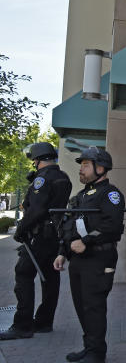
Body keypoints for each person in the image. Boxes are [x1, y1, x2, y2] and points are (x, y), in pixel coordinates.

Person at [53, 147, 125, 363]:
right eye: (81, 165)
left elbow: (112, 227)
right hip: (78, 260)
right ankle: (90, 345)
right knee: (81, 305)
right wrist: (62, 252)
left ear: (100, 168)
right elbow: (70, 227)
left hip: (100, 257)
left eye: (85, 164)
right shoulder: (81, 196)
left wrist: (87, 242)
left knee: (94, 306)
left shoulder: (111, 194)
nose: (81, 169)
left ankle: (97, 353)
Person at [1, 143, 72, 340]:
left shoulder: (43, 179)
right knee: (50, 279)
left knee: (23, 274)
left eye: (34, 160)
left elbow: (37, 211)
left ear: (38, 159)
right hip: (54, 236)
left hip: (38, 236)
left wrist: (21, 230)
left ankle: (22, 325)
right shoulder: (63, 177)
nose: (33, 163)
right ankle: (44, 322)